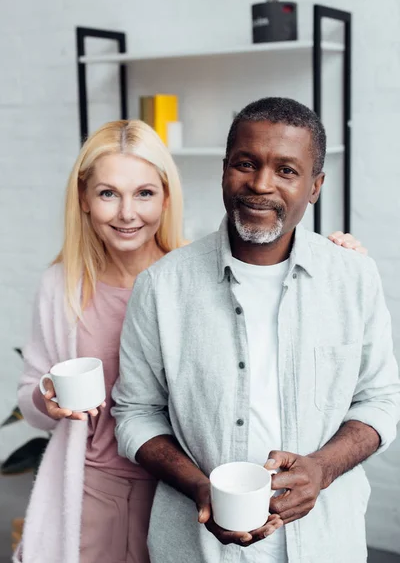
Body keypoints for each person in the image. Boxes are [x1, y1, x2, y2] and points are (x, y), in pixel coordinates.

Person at [112, 97, 400, 563]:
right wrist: (200, 487)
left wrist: (321, 470)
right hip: (193, 548)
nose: (261, 184)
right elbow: (135, 413)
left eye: (287, 170)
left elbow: (381, 399)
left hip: (328, 545)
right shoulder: (162, 286)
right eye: (246, 163)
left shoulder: (353, 278)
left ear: (315, 186)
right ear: (225, 169)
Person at [15, 119, 185, 563]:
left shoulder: (195, 279)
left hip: (178, 493)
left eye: (144, 193)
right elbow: (33, 394)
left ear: (166, 197)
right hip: (90, 488)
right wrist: (46, 399)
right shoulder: (62, 286)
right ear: (84, 200)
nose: (127, 213)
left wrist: (339, 256)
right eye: (108, 193)